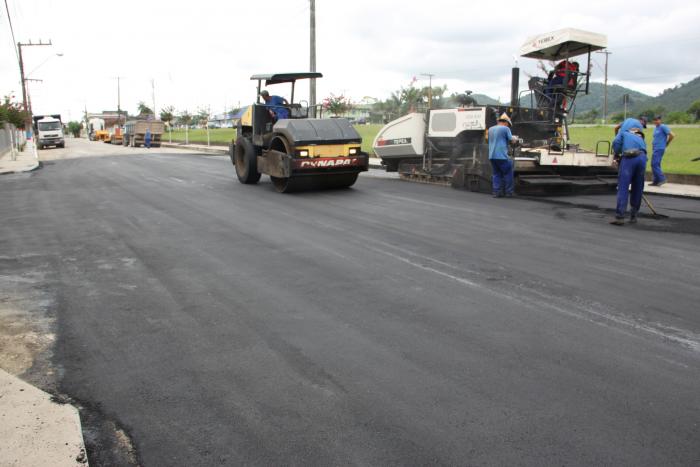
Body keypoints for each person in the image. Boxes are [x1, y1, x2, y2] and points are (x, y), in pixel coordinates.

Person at [610, 127, 647, 225]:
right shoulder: (640, 136)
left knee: (623, 187)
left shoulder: (623, 133)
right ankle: (633, 215)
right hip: (642, 158)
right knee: (638, 187)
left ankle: (620, 217)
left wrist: (616, 155)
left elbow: (616, 144)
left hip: (629, 158)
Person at [488, 113, 516, 198]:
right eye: (508, 124)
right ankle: (509, 192)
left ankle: (496, 192)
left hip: (492, 156)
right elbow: (512, 140)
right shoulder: (505, 128)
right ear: (506, 122)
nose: (508, 126)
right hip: (502, 156)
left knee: (496, 174)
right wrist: (515, 138)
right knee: (508, 173)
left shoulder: (490, 129)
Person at [650, 115, 674, 186]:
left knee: (654, 164)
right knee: (657, 164)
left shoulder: (663, 127)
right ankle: (656, 181)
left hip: (660, 148)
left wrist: (667, 143)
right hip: (655, 148)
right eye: (654, 120)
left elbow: (672, 135)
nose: (656, 121)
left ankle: (662, 179)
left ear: (660, 120)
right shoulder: (656, 128)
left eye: (657, 120)